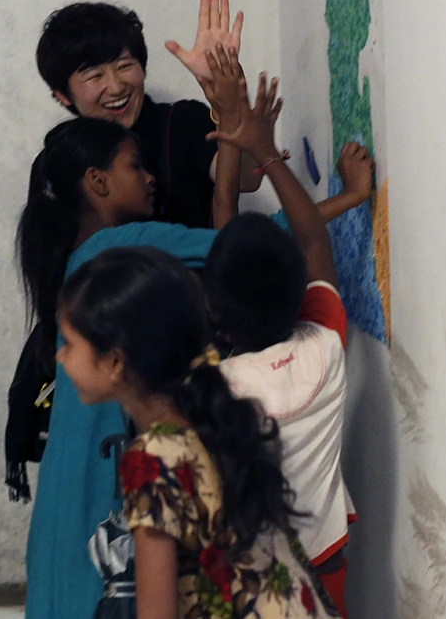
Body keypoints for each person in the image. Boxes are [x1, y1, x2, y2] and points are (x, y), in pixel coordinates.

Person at [11, 116, 221, 619]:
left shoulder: (77, 258)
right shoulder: (116, 246)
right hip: (98, 471)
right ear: (97, 181)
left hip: (64, 480)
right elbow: (243, 248)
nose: (150, 178)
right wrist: (339, 202)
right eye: (135, 165)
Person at [58, 245, 339, 619]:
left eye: (69, 344)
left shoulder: (151, 460)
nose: (60, 356)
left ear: (114, 361)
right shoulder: (210, 420)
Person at [203, 47, 367, 615]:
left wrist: (232, 128)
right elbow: (314, 240)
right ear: (300, 288)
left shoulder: (214, 389)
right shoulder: (325, 345)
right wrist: (265, 150)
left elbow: (224, 210)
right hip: (324, 567)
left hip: (246, 579)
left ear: (213, 310)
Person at [35, 0, 261, 229]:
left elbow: (247, 179)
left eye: (124, 66)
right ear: (63, 95)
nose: (116, 87)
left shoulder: (183, 122)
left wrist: (229, 100)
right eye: (95, 76)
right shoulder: (55, 162)